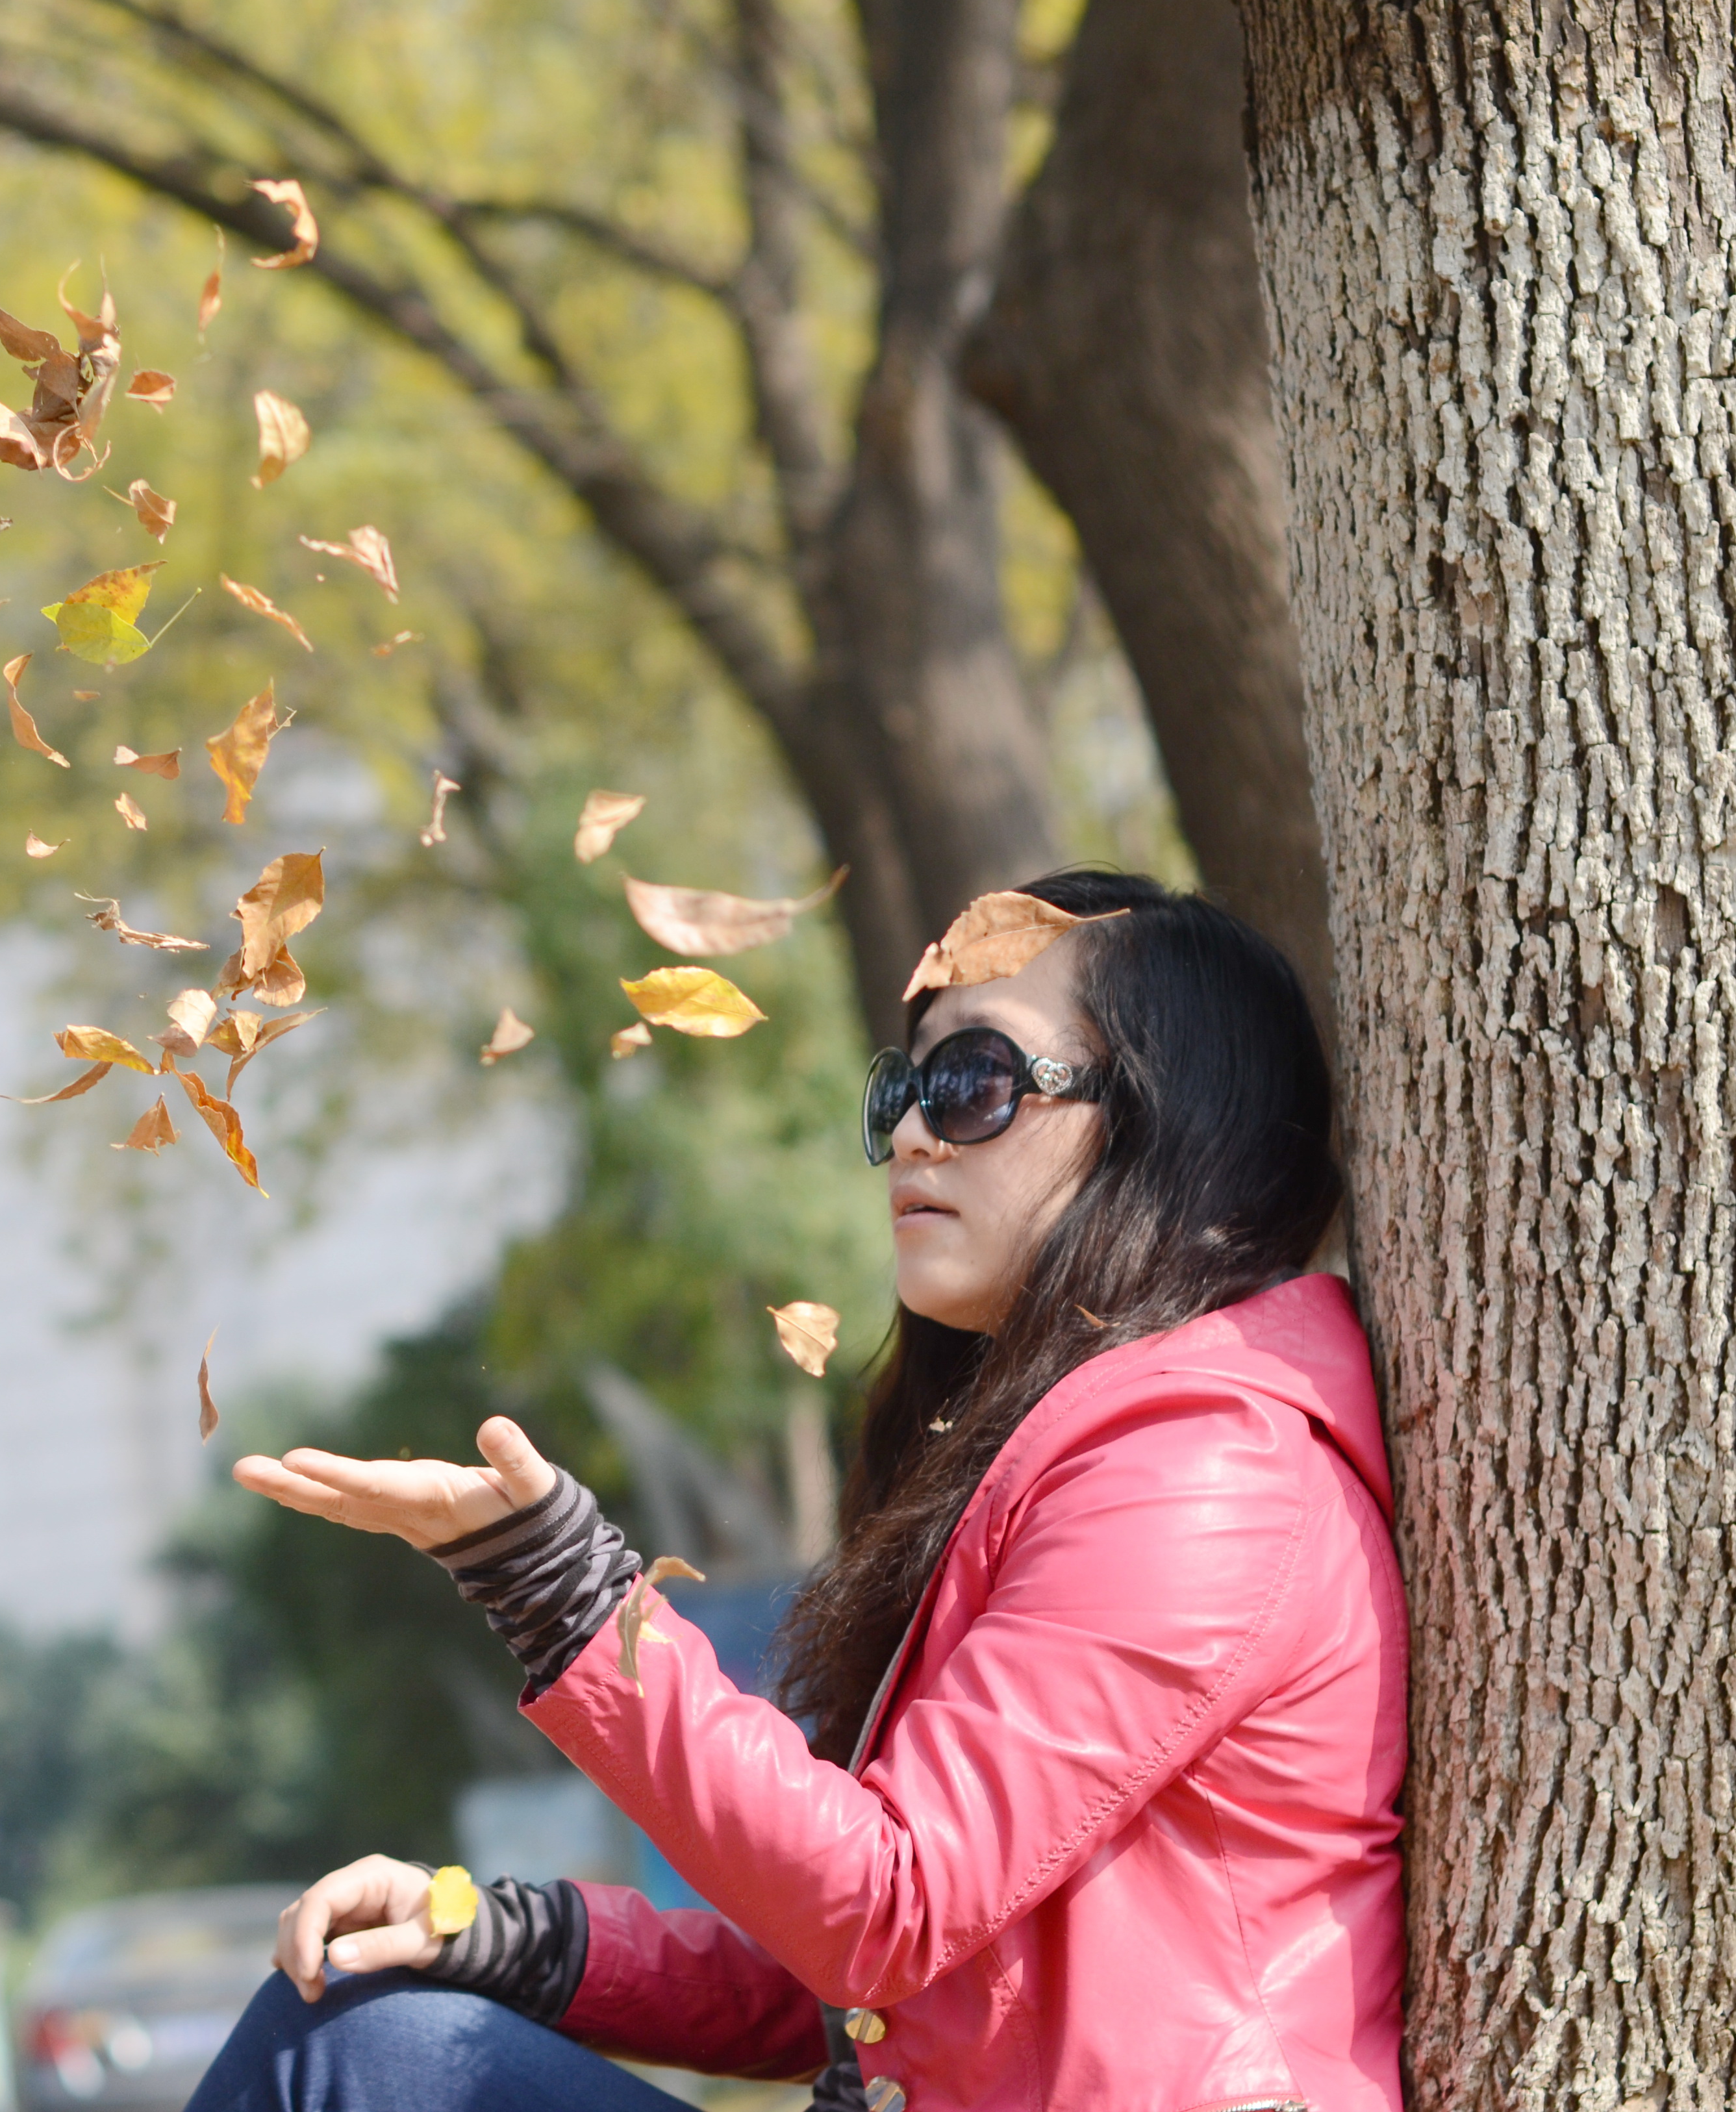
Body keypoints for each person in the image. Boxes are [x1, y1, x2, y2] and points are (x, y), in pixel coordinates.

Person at [185, 871, 1406, 2112]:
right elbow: (858, 1983)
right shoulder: (1093, 1446)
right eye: (904, 1089)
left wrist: (562, 1592)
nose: (917, 1132)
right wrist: (504, 1936)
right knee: (348, 2030)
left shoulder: (1206, 1471)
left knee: (336, 2061)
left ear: (1166, 1121)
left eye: (977, 1081)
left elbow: (885, 1908)